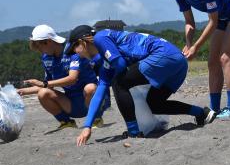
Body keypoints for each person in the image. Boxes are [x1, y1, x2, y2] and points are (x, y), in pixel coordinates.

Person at [69, 26, 214, 146]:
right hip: (179, 62)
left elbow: (119, 65)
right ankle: (201, 113)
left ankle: (133, 132)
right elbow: (100, 91)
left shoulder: (100, 37)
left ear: (83, 41)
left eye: (75, 47)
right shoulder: (105, 59)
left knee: (119, 83)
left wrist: (109, 69)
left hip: (161, 55)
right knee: (155, 104)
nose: (76, 53)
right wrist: (87, 126)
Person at [19, 25, 103, 129]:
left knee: (90, 88)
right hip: (72, 103)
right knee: (43, 93)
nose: (39, 50)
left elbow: (72, 79)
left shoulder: (72, 49)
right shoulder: (46, 58)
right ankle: (66, 122)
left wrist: (44, 84)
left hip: (91, 96)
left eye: (39, 46)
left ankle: (97, 118)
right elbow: (47, 86)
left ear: (49, 41)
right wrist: (20, 91)